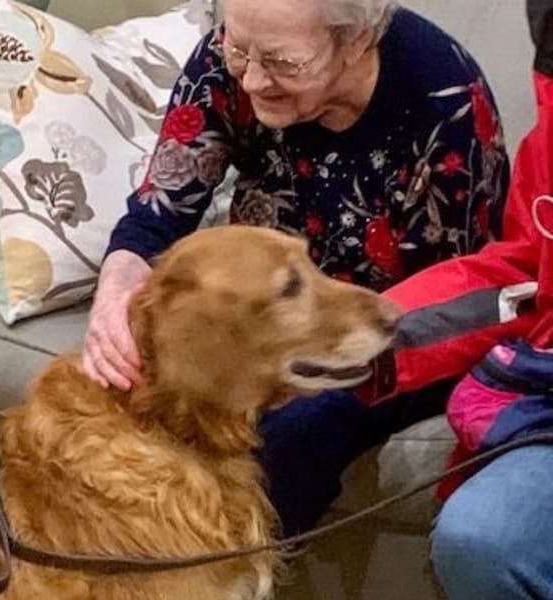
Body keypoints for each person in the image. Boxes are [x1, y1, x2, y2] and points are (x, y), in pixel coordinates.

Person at [81, 0, 525, 598]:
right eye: (241, 49)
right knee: (129, 402)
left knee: (294, 432)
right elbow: (159, 212)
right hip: (258, 313)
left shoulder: (443, 99)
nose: (253, 78)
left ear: (356, 41)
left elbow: (449, 304)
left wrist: (288, 370)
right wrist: (114, 299)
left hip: (389, 333)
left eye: (283, 62)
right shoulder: (227, 61)